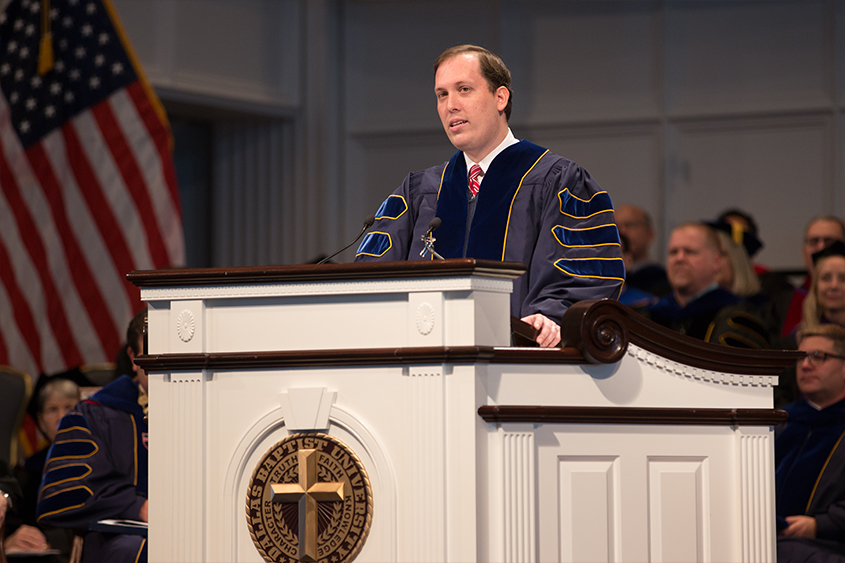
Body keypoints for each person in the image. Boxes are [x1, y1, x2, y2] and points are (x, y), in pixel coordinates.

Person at [354, 45, 624, 347]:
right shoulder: (420, 190)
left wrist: (553, 316)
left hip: (523, 365)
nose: (450, 105)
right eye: (441, 95)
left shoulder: (558, 181)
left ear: (500, 97)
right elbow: (371, 277)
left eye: (464, 89)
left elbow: (587, 267)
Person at [36, 310, 149, 563]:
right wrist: (137, 507)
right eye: (152, 353)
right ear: (133, 357)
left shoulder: (209, 412)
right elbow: (65, 490)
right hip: (123, 538)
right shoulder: (96, 414)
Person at [776, 324, 845, 562]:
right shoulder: (778, 422)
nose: (805, 365)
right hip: (767, 538)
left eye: (818, 357)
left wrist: (819, 525)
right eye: (801, 358)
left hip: (829, 545)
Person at [642, 222, 768, 348]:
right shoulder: (648, 315)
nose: (679, 258)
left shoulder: (738, 317)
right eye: (673, 252)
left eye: (690, 251)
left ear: (716, 261)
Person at [8, 379, 79, 559]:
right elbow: (13, 520)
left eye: (69, 407)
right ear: (41, 420)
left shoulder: (100, 463)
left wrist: (50, 541)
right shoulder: (28, 469)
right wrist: (13, 537)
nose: (61, 417)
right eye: (52, 409)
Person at [780, 216, 845, 338]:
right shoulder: (783, 302)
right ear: (804, 251)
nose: (821, 248)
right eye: (814, 241)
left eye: (829, 241)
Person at [615, 204, 669, 296]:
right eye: (616, 226)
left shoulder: (663, 281)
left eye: (629, 225)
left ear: (649, 234)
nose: (622, 231)